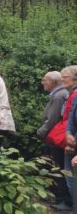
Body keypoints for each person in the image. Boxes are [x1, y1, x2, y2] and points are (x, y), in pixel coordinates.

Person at [36, 71, 70, 208]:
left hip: (55, 138)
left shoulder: (59, 96)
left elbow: (52, 119)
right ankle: (57, 196)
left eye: (45, 80)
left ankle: (62, 198)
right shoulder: (59, 94)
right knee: (56, 166)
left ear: (53, 82)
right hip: (54, 137)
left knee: (58, 167)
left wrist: (40, 132)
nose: (43, 82)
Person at [56, 66, 77, 211]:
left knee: (72, 178)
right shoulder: (73, 95)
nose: (62, 79)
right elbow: (70, 118)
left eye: (66, 77)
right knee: (69, 177)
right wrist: (69, 134)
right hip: (71, 142)